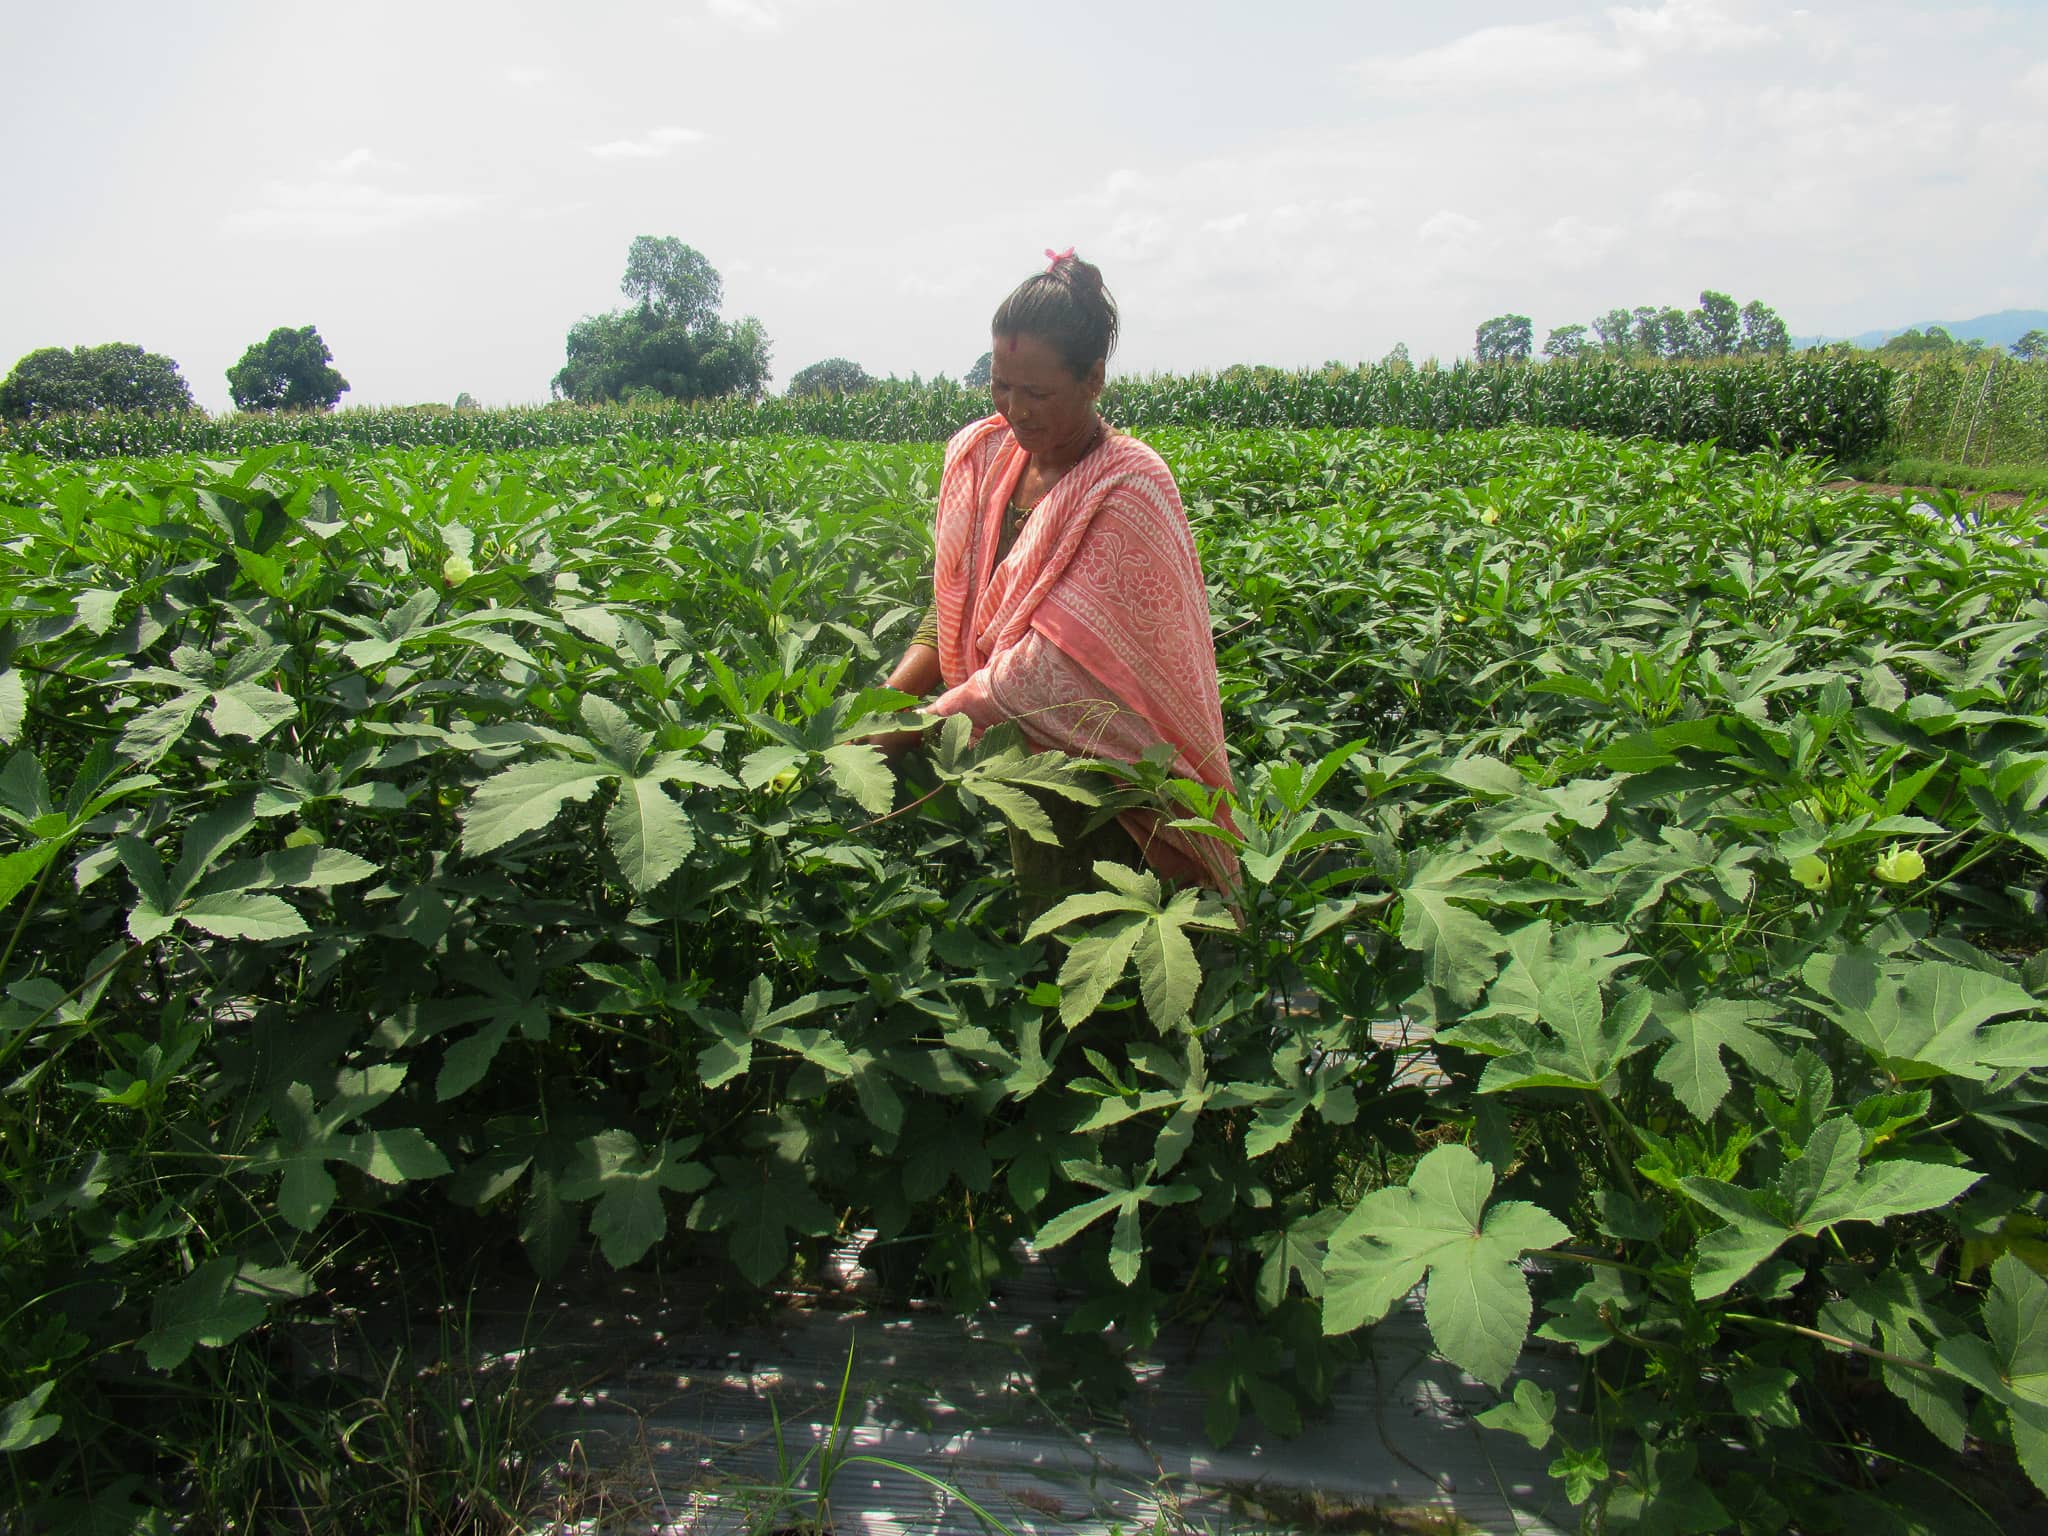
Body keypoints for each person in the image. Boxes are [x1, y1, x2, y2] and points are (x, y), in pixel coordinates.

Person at [869, 249, 1239, 901]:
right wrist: (881, 708)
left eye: (1037, 393)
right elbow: (956, 602)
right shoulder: (988, 459)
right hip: (1029, 779)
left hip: (1119, 801)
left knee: (1114, 967)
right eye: (1000, 386)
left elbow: (1050, 670)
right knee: (1045, 934)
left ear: (1094, 378)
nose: (1015, 410)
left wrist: (915, 727)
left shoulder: (1129, 485)